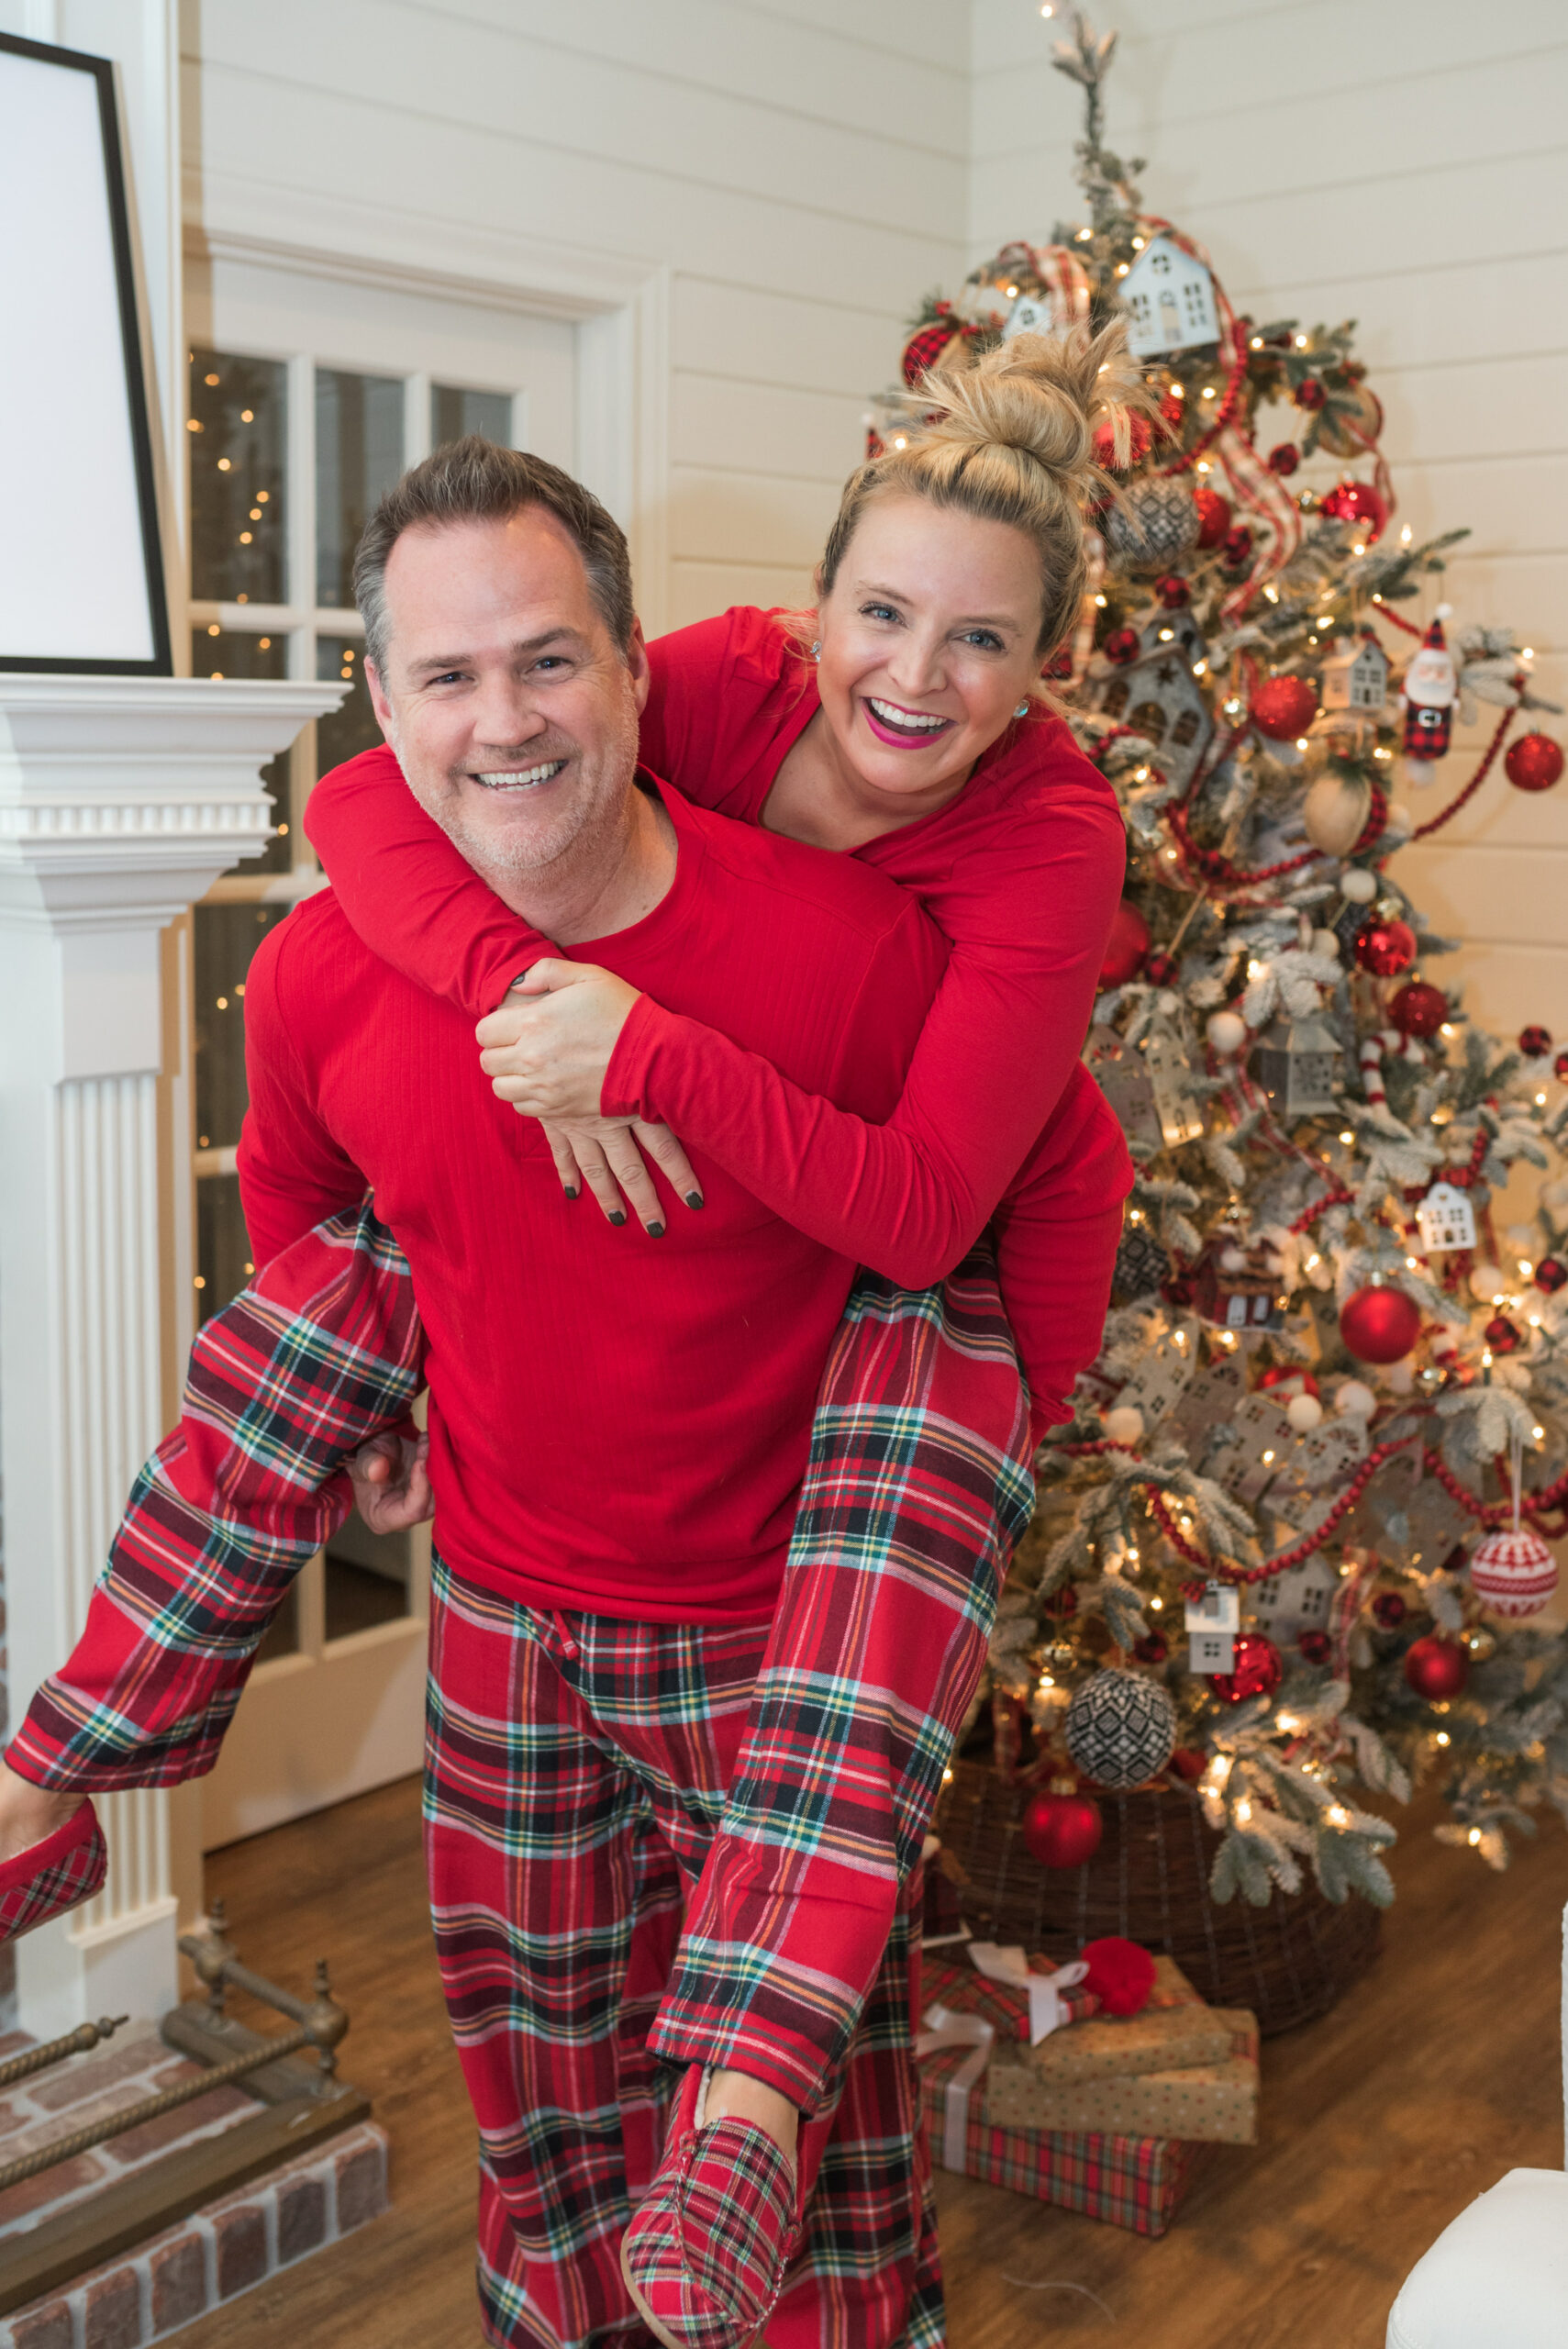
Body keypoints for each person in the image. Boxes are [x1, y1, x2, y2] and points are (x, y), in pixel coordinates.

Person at [1, 430, 1128, 2349]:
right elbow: (306, 1205)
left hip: (779, 1637)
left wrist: (1004, 1418)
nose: (502, 717)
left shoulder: (868, 954)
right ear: (380, 703)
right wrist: (368, 1417)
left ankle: (767, 2156)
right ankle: (52, 1767)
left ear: (640, 672)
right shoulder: (327, 972)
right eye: (445, 674)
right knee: (541, 2127)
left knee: (795, 2159)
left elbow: (1031, 1170)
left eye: (545, 662)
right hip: (505, 1621)